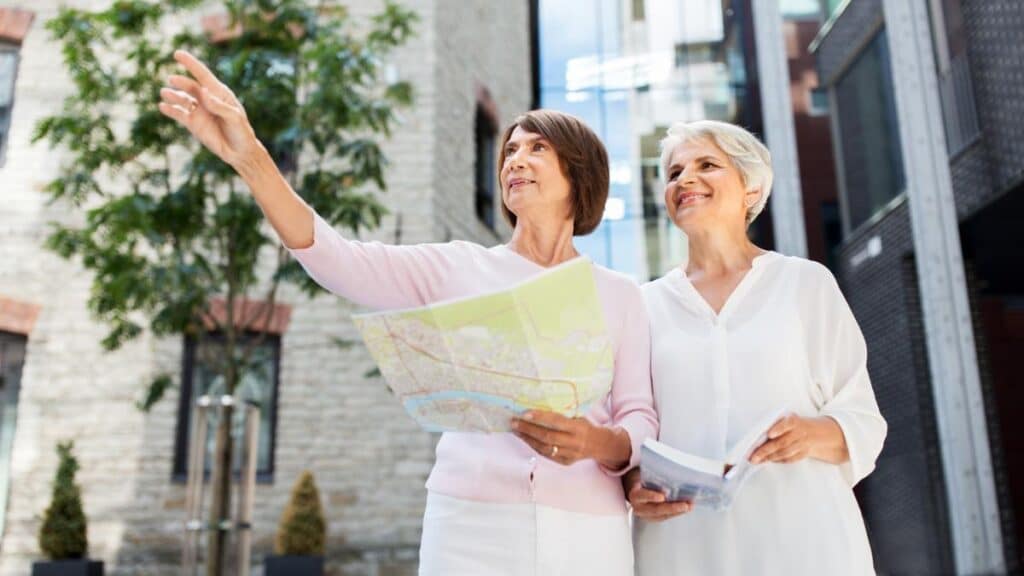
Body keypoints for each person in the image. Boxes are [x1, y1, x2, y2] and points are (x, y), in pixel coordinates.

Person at [158, 50, 656, 576]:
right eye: (509, 150)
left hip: (588, 532)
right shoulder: (455, 267)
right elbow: (335, 259)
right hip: (468, 524)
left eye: (537, 148)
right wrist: (252, 158)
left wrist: (596, 442)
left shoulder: (620, 295)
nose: (514, 160)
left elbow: (639, 416)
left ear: (579, 174)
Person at [625, 120, 887, 575]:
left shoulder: (804, 283)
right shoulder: (643, 306)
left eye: (707, 164)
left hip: (804, 543)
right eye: (673, 173)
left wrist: (812, 433)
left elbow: (864, 419)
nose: (685, 179)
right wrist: (631, 483)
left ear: (751, 189)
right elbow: (628, 429)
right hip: (682, 549)